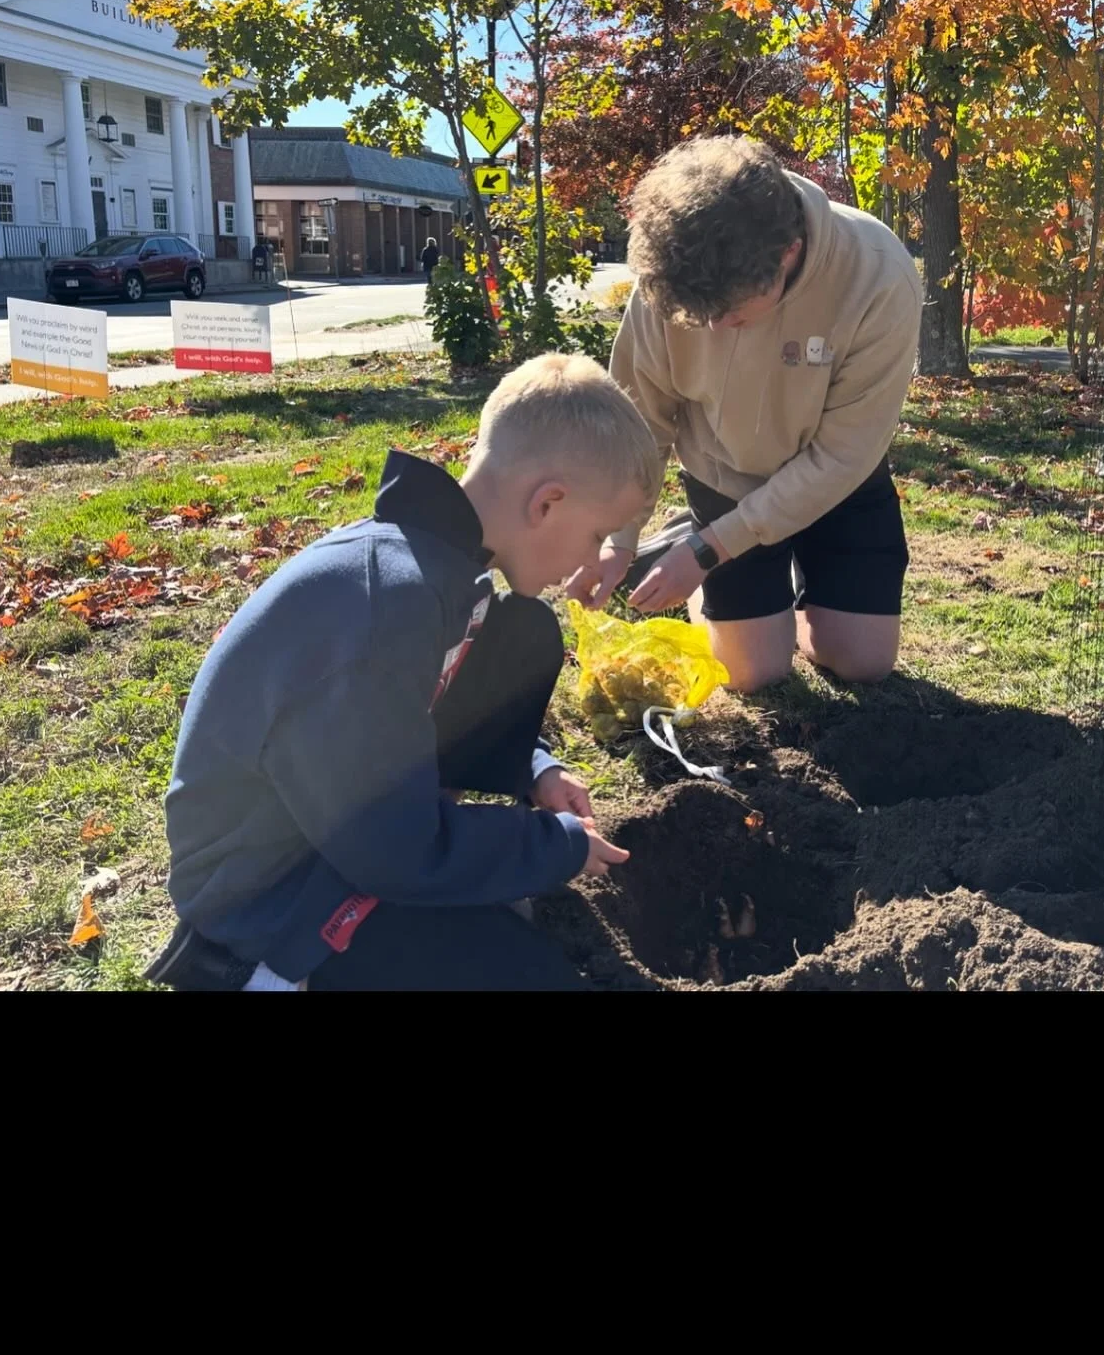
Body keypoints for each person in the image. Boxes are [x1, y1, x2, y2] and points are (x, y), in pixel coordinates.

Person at [144, 353, 661, 992]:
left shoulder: (432, 566)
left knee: (522, 635)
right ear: (548, 502)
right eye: (597, 535)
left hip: (340, 842)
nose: (589, 561)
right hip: (275, 900)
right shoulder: (382, 609)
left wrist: (535, 767)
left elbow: (422, 714)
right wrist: (555, 846)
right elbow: (397, 850)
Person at [567, 136, 923, 692]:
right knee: (753, 673)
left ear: (787, 253)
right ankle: (694, 554)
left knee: (860, 663)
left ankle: (718, 560)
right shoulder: (675, 272)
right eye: (694, 315)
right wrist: (616, 537)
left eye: (730, 314)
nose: (708, 331)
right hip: (724, 475)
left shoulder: (878, 275)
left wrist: (711, 550)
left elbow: (843, 455)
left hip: (837, 484)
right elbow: (642, 421)